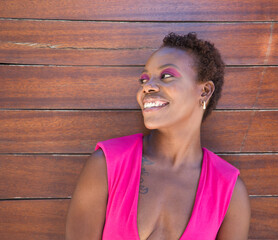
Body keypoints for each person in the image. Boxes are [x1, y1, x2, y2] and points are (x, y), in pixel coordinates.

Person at [65, 32, 251, 240]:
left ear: (205, 91)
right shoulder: (107, 165)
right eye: (144, 79)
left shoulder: (229, 190)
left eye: (166, 76)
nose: (147, 86)